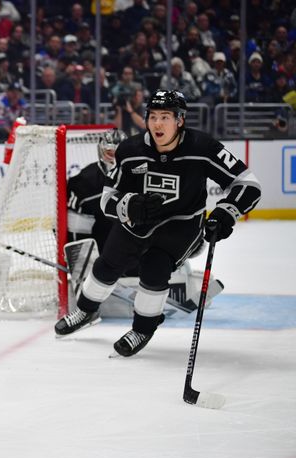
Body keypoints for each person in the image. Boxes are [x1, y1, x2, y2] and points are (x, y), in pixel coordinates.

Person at [54, 90, 261, 356]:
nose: (158, 124)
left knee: (155, 266)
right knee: (107, 264)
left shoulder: (203, 148)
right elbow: (108, 198)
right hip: (139, 221)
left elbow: (248, 183)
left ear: (180, 120)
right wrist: (128, 205)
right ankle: (84, 311)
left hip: (182, 224)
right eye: (153, 117)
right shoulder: (129, 150)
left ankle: (143, 328)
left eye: (165, 117)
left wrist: (226, 212)